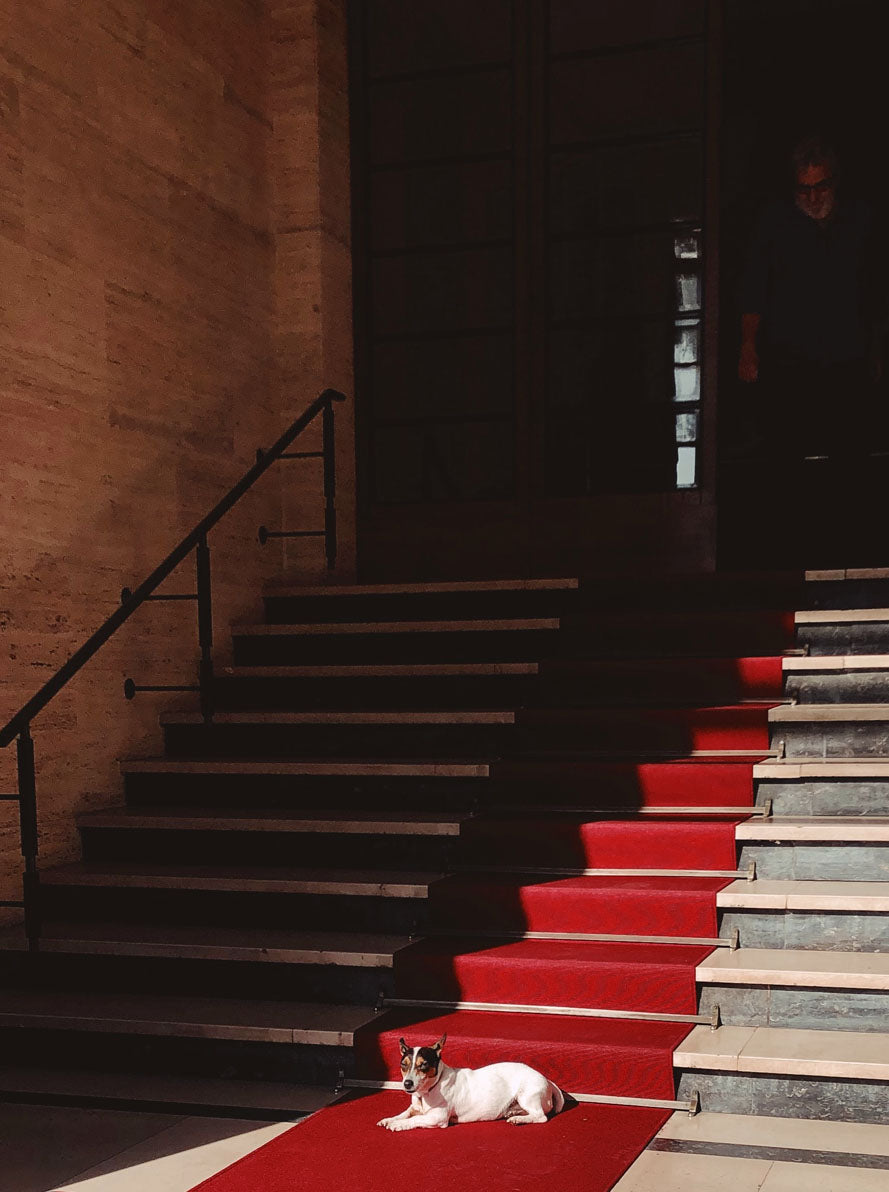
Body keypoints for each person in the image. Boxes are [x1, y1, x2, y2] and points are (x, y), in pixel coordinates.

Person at [736, 136, 887, 562]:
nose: (813, 196)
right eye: (804, 189)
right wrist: (748, 346)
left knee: (850, 458)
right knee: (786, 457)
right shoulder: (775, 222)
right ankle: (788, 553)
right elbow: (754, 289)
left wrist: (875, 350)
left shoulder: (860, 219)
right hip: (791, 357)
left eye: (820, 187)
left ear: (834, 183)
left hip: (847, 356)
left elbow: (873, 290)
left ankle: (852, 551)